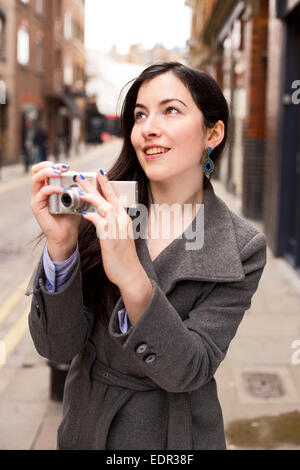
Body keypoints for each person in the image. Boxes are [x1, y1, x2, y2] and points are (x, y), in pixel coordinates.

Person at [27, 62, 267, 450]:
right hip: (88, 428)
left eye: (171, 110)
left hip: (176, 437)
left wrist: (132, 279)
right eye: (140, 114)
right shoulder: (101, 209)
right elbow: (55, 348)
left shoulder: (242, 247)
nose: (148, 128)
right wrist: (62, 248)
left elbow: (191, 369)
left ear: (213, 133)